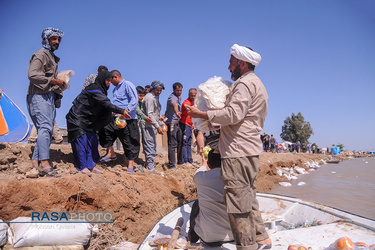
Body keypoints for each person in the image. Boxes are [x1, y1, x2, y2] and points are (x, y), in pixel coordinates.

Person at [186, 44, 272, 249]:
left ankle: (247, 246)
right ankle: (262, 237)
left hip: (238, 152)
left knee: (237, 206)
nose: (228, 68)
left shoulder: (244, 84)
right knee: (248, 197)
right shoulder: (256, 83)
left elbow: (233, 114)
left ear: (242, 64)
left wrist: (202, 115)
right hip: (248, 150)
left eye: (231, 63)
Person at [66, 70, 129, 176]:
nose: (109, 83)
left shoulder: (101, 91)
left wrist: (111, 111)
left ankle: (91, 166)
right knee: (81, 141)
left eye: (110, 80)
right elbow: (105, 103)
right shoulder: (94, 89)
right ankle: (82, 166)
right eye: (108, 80)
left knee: (92, 141)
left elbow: (103, 105)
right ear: (102, 80)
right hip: (77, 118)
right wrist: (121, 110)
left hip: (87, 121)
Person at [27, 27, 65, 177]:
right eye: (53, 39)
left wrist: (59, 88)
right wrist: (53, 80)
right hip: (38, 95)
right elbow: (32, 75)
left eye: (58, 39)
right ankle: (44, 163)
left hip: (49, 96)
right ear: (46, 39)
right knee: (44, 128)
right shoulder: (40, 54)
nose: (57, 42)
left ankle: (35, 162)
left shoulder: (52, 57)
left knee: (47, 130)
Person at [188, 150, 233, 246]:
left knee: (196, 204)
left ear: (209, 164)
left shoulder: (200, 177)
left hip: (209, 238)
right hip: (234, 235)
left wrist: (204, 164)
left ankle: (192, 237)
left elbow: (198, 172)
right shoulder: (233, 179)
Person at [98, 70, 140, 175]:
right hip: (117, 118)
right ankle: (111, 152)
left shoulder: (127, 85)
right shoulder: (115, 89)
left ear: (115, 77)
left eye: (110, 80)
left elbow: (134, 100)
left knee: (129, 141)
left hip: (128, 119)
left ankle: (130, 165)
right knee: (105, 130)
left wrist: (125, 112)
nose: (110, 82)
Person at [142, 81, 165, 174]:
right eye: (157, 90)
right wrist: (157, 126)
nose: (159, 92)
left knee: (152, 145)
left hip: (153, 125)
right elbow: (149, 114)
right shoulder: (149, 97)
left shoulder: (155, 97)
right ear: (153, 89)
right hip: (148, 125)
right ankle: (150, 167)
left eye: (160, 90)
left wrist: (160, 119)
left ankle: (151, 165)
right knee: (149, 145)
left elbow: (155, 113)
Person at [165, 82, 184, 170]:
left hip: (177, 123)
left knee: (181, 141)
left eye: (180, 90)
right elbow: (175, 105)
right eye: (177, 90)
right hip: (171, 123)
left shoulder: (178, 97)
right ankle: (172, 165)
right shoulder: (171, 97)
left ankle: (180, 161)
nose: (179, 92)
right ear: (173, 90)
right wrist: (176, 112)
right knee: (172, 144)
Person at [179, 88, 198, 167]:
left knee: (189, 142)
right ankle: (185, 160)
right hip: (184, 123)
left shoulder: (195, 102)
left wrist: (193, 123)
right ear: (188, 95)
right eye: (192, 95)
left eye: (194, 95)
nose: (193, 97)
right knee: (185, 142)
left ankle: (190, 160)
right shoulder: (186, 102)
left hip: (190, 125)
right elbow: (189, 110)